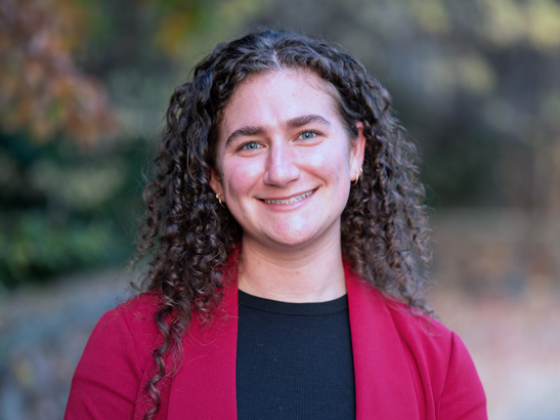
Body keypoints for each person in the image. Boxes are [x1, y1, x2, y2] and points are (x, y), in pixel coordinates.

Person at [64, 29, 487, 420]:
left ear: (356, 152)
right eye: (250, 144)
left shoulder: (438, 364)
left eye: (306, 135)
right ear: (215, 177)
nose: (280, 171)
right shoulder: (130, 347)